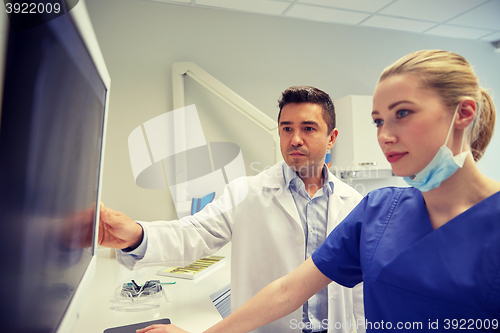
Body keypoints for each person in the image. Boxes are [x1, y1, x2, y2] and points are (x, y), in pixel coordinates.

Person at [140, 50, 500, 333]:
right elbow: (287, 291)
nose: (384, 135)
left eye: (402, 113)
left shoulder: (355, 201)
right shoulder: (377, 211)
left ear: (463, 113)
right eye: (378, 121)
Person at [99, 86, 365, 333]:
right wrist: (135, 235)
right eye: (286, 129)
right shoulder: (245, 192)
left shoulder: (353, 202)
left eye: (308, 128)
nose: (295, 139)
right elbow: (193, 234)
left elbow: (359, 291)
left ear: (331, 138)